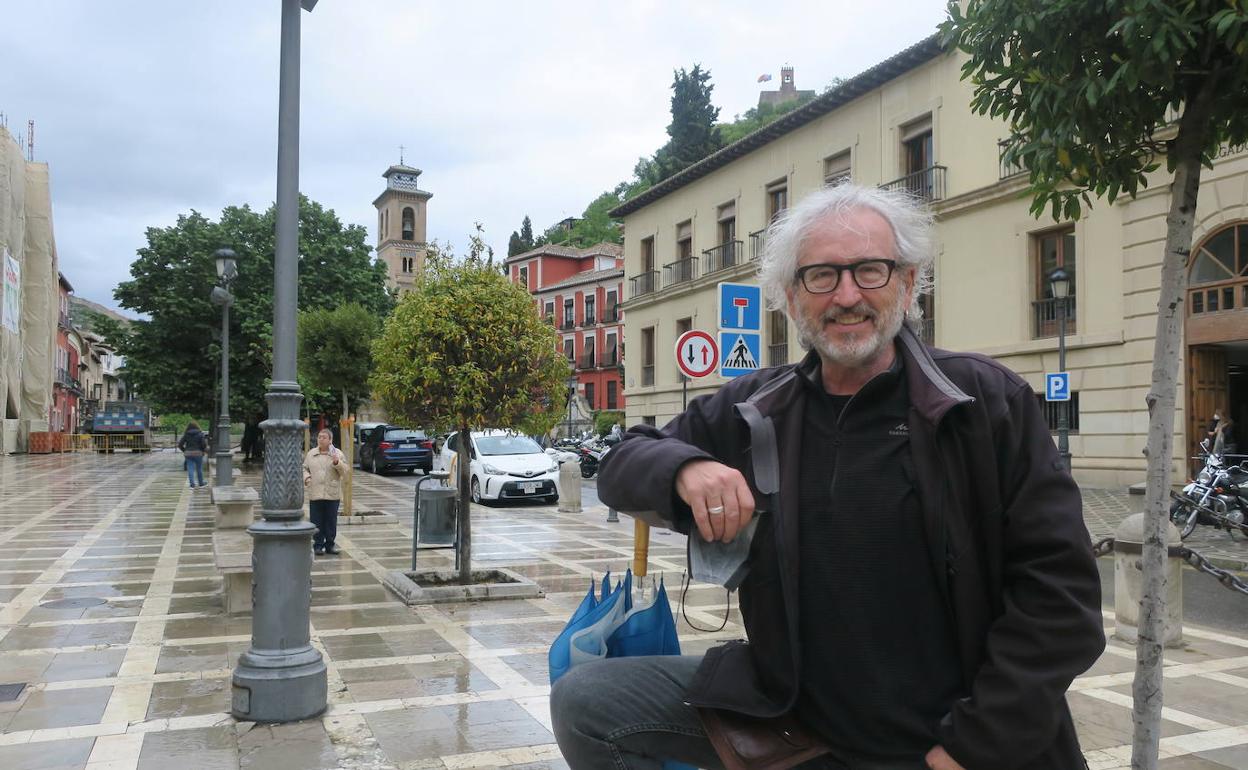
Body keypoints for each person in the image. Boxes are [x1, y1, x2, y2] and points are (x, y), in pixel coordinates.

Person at [552, 184, 1105, 770]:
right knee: (589, 701)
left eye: (870, 271)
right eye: (821, 276)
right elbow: (619, 464)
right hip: (798, 723)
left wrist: (974, 745)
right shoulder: (755, 407)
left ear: (908, 283)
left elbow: (1061, 600)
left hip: (948, 734)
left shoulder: (983, 402)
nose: (847, 296)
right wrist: (685, 467)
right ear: (791, 296)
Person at [304, 428, 348, 556]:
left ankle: (330, 545)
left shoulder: (338, 454)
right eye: (319, 437)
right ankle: (318, 545)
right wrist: (307, 478)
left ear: (330, 440)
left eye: (324, 437)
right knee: (316, 521)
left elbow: (345, 471)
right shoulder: (311, 454)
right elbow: (304, 468)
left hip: (332, 493)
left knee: (330, 521)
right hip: (316, 492)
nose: (321, 439)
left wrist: (336, 462)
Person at [177, 420, 209, 490]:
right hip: (198, 453)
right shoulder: (200, 434)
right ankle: (201, 483)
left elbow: (180, 445)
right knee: (199, 468)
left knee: (190, 469)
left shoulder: (186, 434)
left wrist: (185, 450)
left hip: (188, 453)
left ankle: (192, 485)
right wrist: (203, 451)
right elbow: (203, 444)